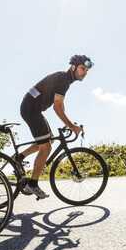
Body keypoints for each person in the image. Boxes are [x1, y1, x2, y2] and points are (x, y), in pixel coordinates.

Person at [17, 55, 93, 199]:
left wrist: (69, 124)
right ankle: (32, 184)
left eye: (86, 70)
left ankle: (19, 157)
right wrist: (71, 126)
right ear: (73, 67)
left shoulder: (65, 80)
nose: (85, 72)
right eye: (83, 68)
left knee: (47, 141)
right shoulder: (63, 80)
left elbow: (60, 104)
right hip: (31, 109)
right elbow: (57, 108)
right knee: (46, 148)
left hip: (33, 109)